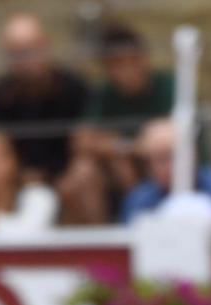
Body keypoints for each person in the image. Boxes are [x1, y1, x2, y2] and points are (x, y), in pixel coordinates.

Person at [58, 21, 173, 226]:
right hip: (117, 174)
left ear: (144, 58)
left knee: (126, 163)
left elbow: (167, 140)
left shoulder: (168, 86)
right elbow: (81, 141)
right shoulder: (105, 94)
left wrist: (124, 147)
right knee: (82, 173)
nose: (125, 70)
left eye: (131, 61)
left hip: (160, 167)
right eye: (116, 64)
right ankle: (100, 244)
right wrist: (124, 147)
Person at [0, 12, 87, 185]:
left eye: (30, 49)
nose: (26, 60)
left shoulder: (73, 87)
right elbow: (1, 143)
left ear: (46, 45)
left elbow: (84, 141)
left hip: (67, 177)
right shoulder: (1, 94)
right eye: (17, 53)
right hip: (20, 179)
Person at [121, 116, 211, 225]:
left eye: (178, 156)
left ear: (194, 155)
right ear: (148, 166)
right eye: (162, 158)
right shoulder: (139, 201)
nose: (174, 165)